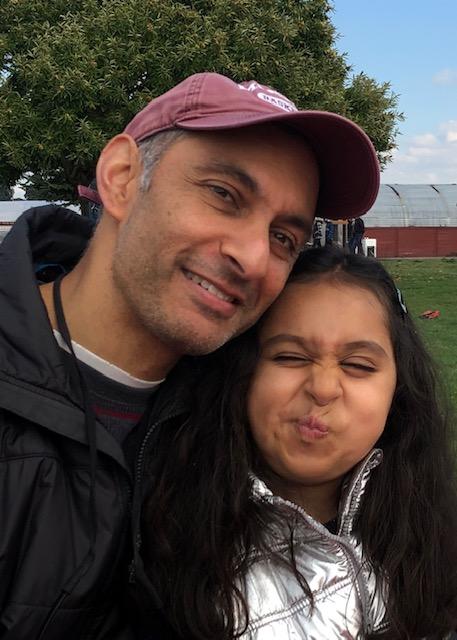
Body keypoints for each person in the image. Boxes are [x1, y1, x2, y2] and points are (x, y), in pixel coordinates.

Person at [0, 72, 379, 639]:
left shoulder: (243, 411)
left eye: (283, 237)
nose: (252, 258)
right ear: (123, 178)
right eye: (224, 195)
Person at [138, 246, 457, 639]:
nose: (322, 388)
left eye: (358, 365)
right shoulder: (160, 539)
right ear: (242, 374)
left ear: (399, 390)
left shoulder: (435, 537)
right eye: (289, 357)